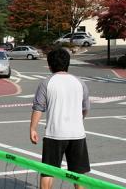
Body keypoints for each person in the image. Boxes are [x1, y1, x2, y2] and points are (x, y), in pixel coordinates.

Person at [30, 48, 90, 189]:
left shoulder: (46, 83)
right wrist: (79, 120)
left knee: (48, 173)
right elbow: (86, 108)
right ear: (68, 64)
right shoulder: (80, 82)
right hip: (77, 134)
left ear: (50, 65)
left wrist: (32, 128)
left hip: (54, 134)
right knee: (78, 174)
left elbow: (38, 107)